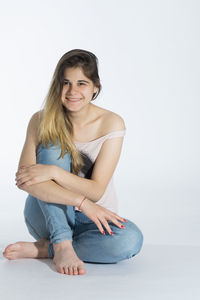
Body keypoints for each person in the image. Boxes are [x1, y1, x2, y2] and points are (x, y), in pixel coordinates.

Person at [3, 49, 143, 275]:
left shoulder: (111, 123)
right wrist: (82, 201)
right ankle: (62, 243)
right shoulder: (41, 120)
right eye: (66, 83)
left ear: (95, 87)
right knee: (53, 144)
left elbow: (96, 191)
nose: (72, 91)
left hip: (93, 218)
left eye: (82, 83)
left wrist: (53, 173)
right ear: (57, 86)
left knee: (130, 240)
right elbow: (25, 180)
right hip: (47, 216)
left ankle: (46, 249)